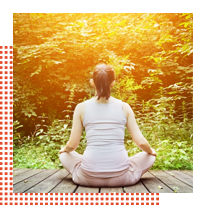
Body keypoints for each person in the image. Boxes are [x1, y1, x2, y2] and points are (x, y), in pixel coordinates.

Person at [59, 63, 156, 187]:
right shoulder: (124, 107)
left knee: (64, 155)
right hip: (122, 178)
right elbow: (141, 143)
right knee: (148, 155)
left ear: (92, 82)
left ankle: (84, 170)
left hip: (88, 178)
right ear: (113, 82)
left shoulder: (81, 108)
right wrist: (151, 151)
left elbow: (72, 145)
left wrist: (64, 150)